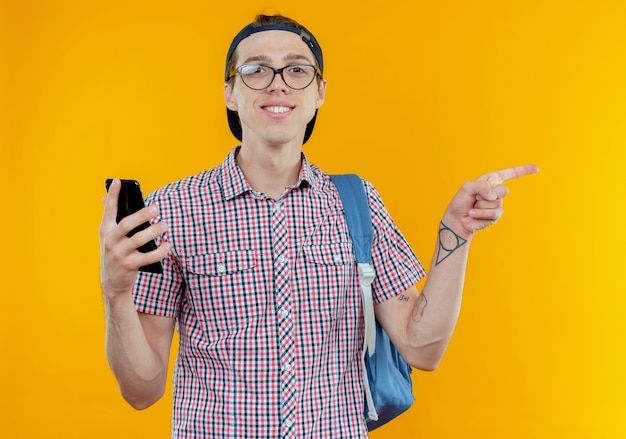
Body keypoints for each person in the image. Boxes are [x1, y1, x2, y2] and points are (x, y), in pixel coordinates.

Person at [99, 14, 538, 438]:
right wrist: (116, 293)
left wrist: (457, 233)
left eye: (296, 70)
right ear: (230, 93)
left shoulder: (357, 203)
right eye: (256, 69)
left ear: (319, 92)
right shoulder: (172, 211)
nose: (277, 83)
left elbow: (423, 348)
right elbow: (142, 390)